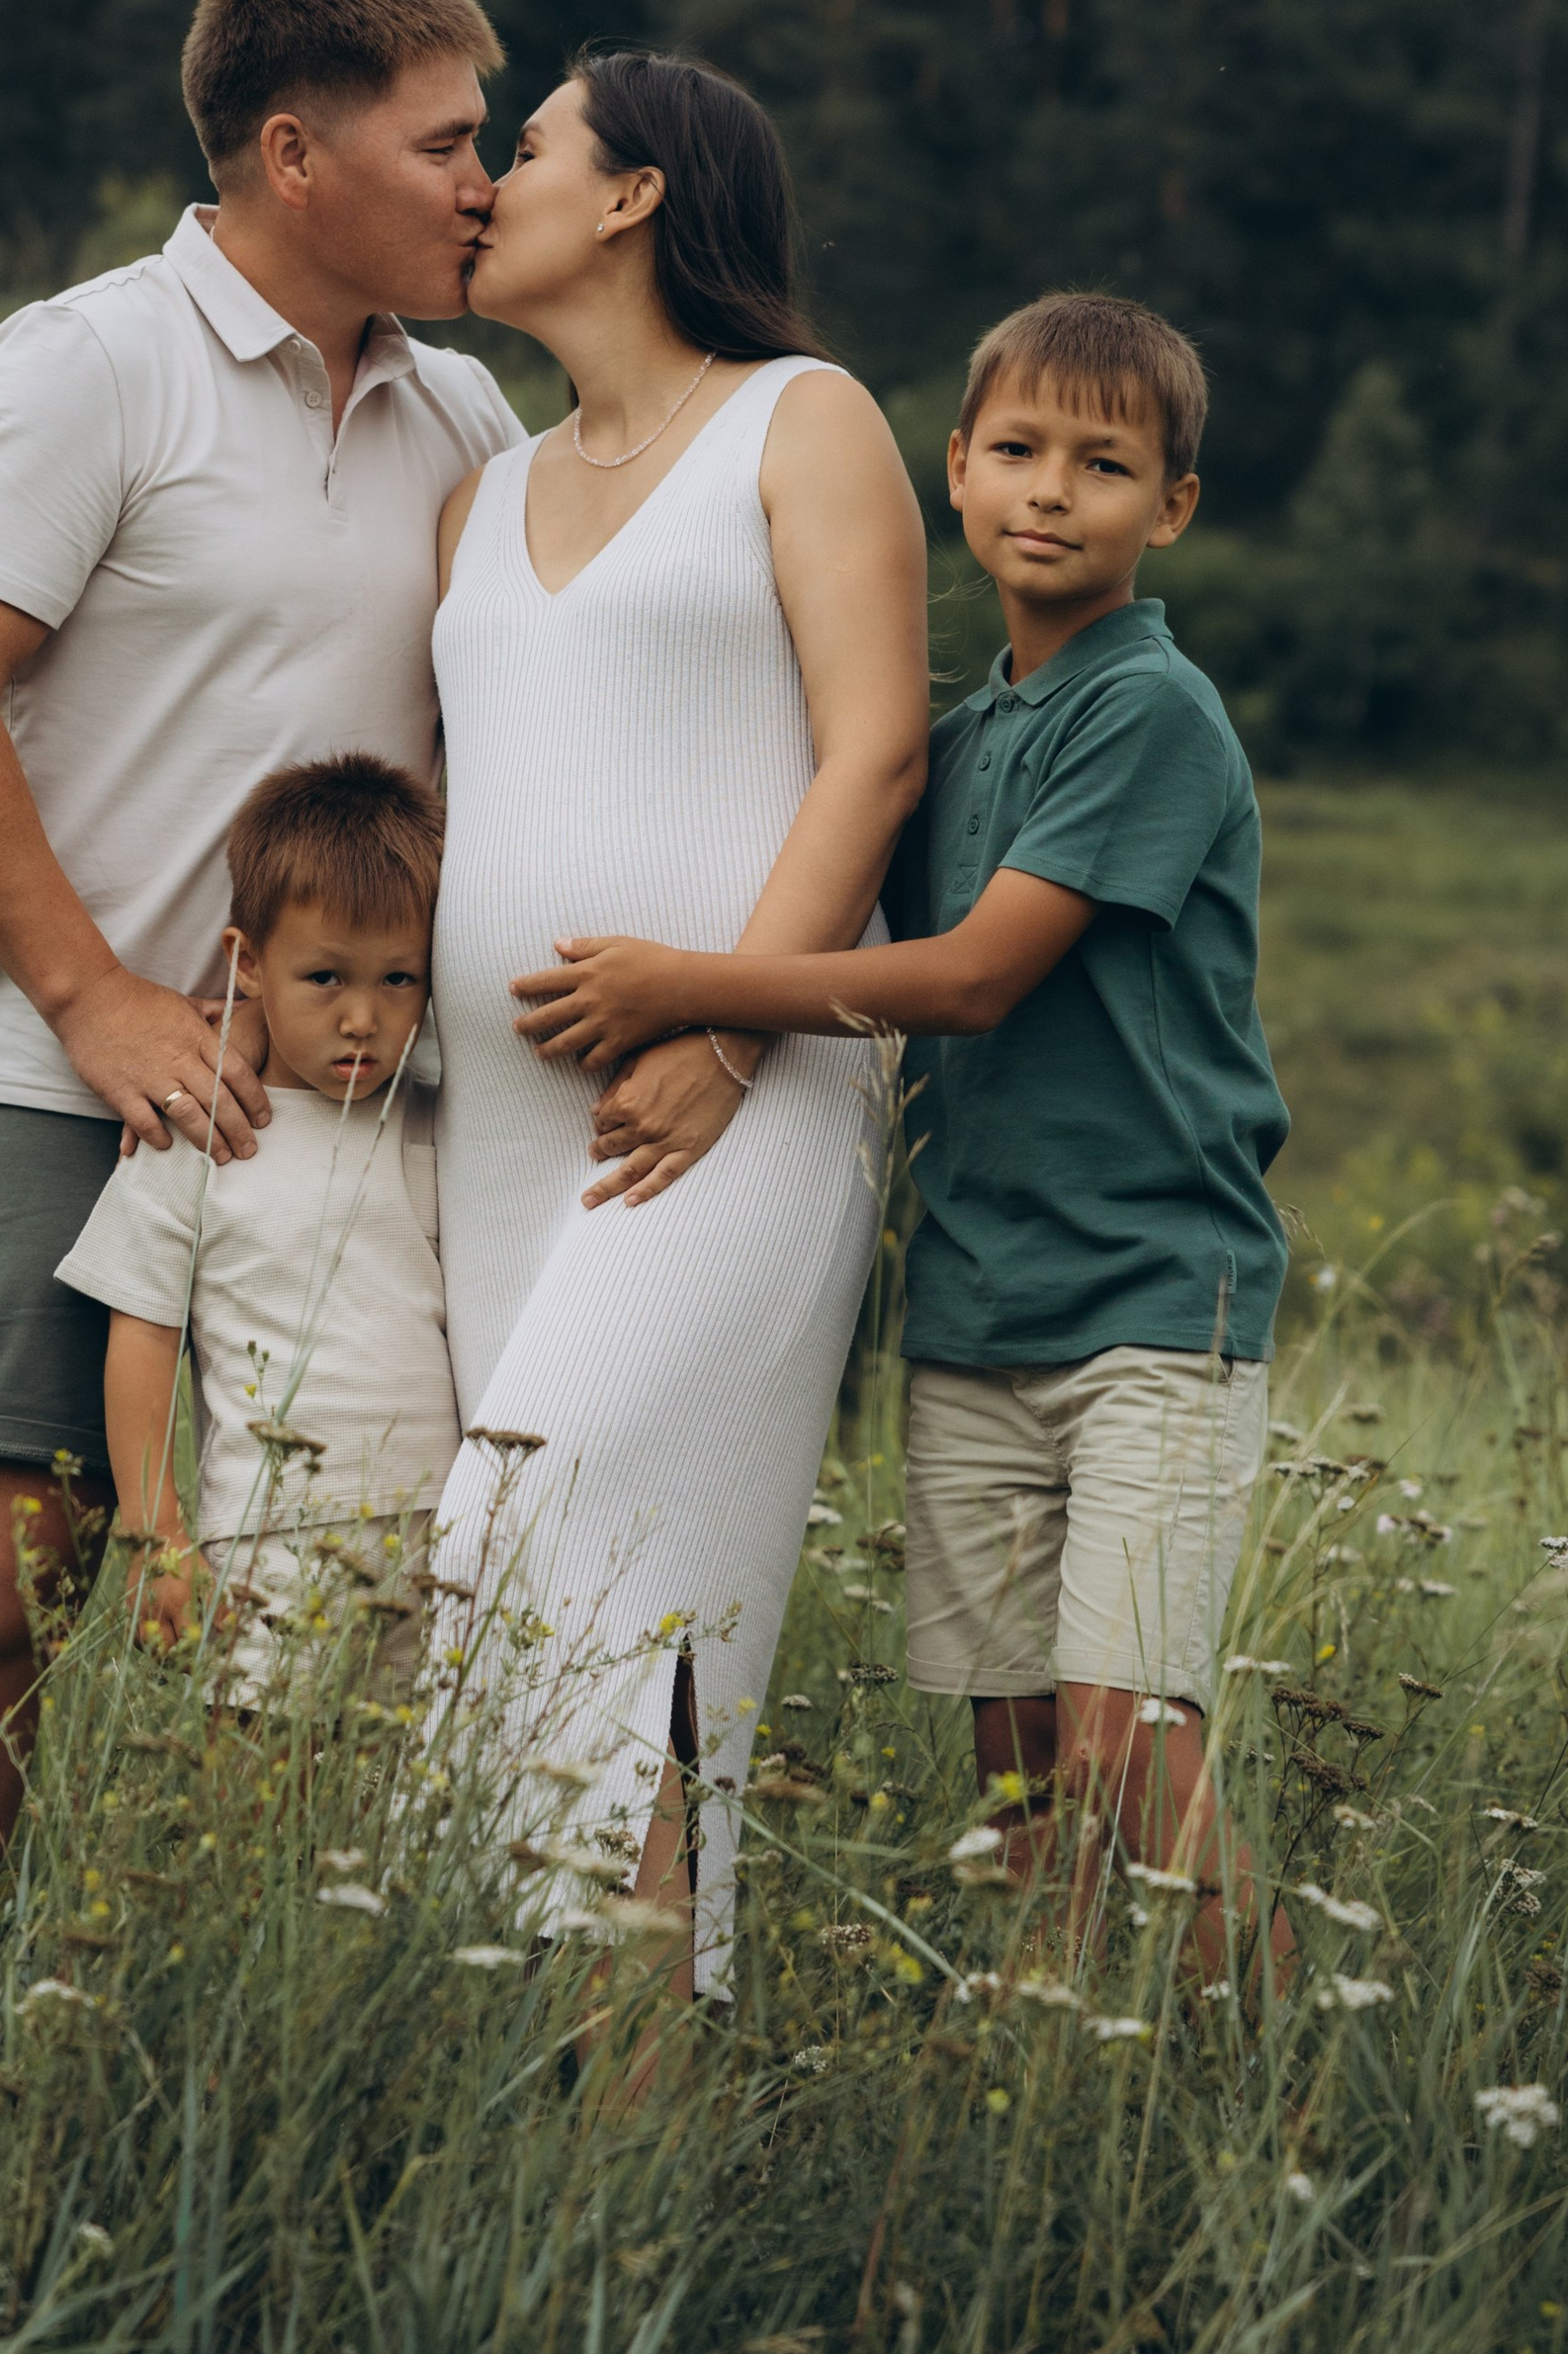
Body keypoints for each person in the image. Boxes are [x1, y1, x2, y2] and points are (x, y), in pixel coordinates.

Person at [0, 0, 520, 1935]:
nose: (484, 183)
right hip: (91, 1083)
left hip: (379, 1114)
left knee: (372, 1605)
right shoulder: (89, 364)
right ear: (295, 155)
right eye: (446, 142)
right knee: (0, 1582)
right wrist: (93, 999)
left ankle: (268, 2047)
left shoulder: (467, 409)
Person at [514, 289, 1291, 1979]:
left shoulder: (1148, 712)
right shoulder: (956, 742)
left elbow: (973, 979)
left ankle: (1286, 2084)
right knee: (1017, 1776)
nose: (1050, 490)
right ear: (955, 468)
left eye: (1105, 465)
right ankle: (1056, 2075)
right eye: (1017, 449)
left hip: (1157, 1304)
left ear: (1172, 508)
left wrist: (687, 986)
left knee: (1128, 1748)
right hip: (977, 1306)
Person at [424, 49, 931, 2013]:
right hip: (496, 1137)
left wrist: (721, 1039)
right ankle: (585, 2126)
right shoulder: (478, 497)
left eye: (528, 147)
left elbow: (874, 754)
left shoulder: (802, 421)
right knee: (590, 1624)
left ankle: (602, 2121)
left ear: (635, 194)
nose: (488, 183)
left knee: (509, 1534)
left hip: (740, 1099)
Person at [60, 754, 456, 1700]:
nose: (363, 1017)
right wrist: (156, 1533)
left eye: (399, 978)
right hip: (271, 1540)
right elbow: (142, 1337)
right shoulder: (195, 1136)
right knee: (257, 1777)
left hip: (447, 1538)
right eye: (324, 977)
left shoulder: (437, 1122)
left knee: (411, 1785)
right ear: (247, 963)